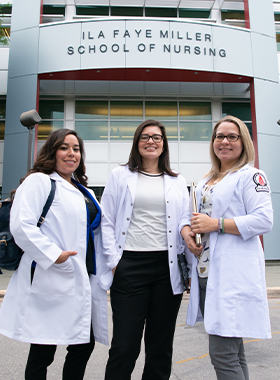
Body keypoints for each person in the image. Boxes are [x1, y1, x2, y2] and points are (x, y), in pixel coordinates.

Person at [0, 129, 109, 380]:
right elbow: (21, 226)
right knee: (43, 348)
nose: (71, 153)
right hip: (52, 274)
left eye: (76, 149)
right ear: (52, 151)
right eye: (64, 147)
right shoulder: (39, 181)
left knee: (84, 343)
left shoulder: (85, 190)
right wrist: (54, 255)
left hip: (83, 276)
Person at [181, 115, 273, 380]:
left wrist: (216, 224)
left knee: (222, 355)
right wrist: (189, 232)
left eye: (232, 136)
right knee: (234, 353)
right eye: (219, 136)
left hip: (232, 275)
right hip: (207, 273)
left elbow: (264, 220)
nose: (224, 141)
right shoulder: (208, 179)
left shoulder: (251, 176)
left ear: (243, 142)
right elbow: (194, 218)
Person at [101, 119, 190, 380]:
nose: (151, 141)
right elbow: (107, 220)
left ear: (164, 145)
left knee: (160, 347)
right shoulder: (120, 175)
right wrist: (114, 261)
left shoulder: (177, 180)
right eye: (145, 137)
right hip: (129, 265)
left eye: (157, 138)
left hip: (167, 267)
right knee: (125, 346)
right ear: (136, 143)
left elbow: (184, 220)